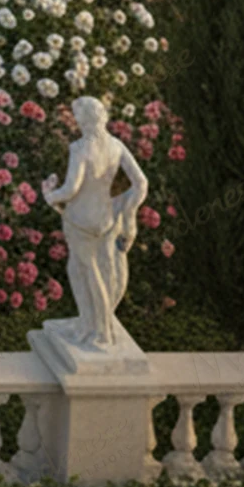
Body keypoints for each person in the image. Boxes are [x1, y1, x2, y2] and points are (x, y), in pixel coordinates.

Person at [40, 95, 150, 353]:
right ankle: (88, 324)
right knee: (80, 270)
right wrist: (130, 213)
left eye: (77, 116)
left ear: (84, 119)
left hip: (80, 220)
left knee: (90, 273)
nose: (75, 120)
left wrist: (49, 194)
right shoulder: (116, 145)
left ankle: (102, 332)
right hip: (105, 218)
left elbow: (71, 189)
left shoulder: (80, 148)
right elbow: (141, 183)